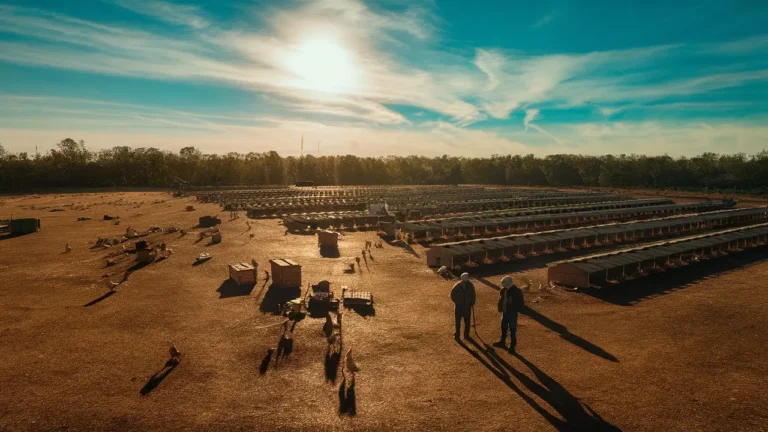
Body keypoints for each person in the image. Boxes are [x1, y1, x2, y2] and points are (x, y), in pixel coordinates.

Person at [494, 276, 524, 352]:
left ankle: (512, 346)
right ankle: (502, 342)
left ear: (509, 283)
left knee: (512, 329)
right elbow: (500, 299)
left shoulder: (517, 291)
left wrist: (513, 305)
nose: (502, 285)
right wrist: (500, 308)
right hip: (504, 312)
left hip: (512, 313)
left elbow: (521, 303)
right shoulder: (503, 290)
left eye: (503, 283)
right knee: (503, 327)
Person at [450, 272, 475, 339]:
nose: (466, 278)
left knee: (467, 322)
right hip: (458, 307)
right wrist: (457, 302)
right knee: (457, 321)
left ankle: (466, 335)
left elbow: (473, 294)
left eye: (467, 277)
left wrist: (472, 302)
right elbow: (452, 295)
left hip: (467, 307)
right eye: (465, 277)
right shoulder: (457, 285)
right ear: (462, 278)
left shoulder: (470, 285)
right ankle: (457, 334)